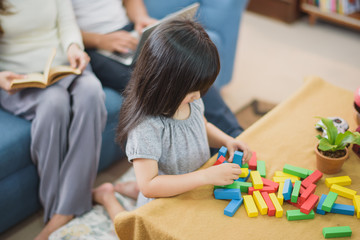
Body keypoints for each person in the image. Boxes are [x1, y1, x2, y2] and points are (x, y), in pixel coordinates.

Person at [92, 19, 251, 221]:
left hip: (191, 188)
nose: (198, 97)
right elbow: (149, 186)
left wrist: (226, 140)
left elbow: (202, 126)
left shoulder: (190, 100)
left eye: (201, 90)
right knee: (130, 230)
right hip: (163, 200)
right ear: (165, 83)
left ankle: (131, 189)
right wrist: (206, 177)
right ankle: (107, 197)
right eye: (192, 92)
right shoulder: (145, 126)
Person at [71, 0, 244, 150]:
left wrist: (141, 19)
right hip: (92, 46)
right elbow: (61, 28)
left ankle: (235, 134)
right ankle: (222, 145)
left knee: (187, 64)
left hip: (128, 31)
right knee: (161, 80)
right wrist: (101, 40)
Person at [0, 0, 107, 239]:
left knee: (91, 92)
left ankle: (63, 212)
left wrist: (73, 48)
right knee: (53, 103)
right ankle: (58, 210)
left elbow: (67, 24)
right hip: (17, 79)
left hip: (61, 66)